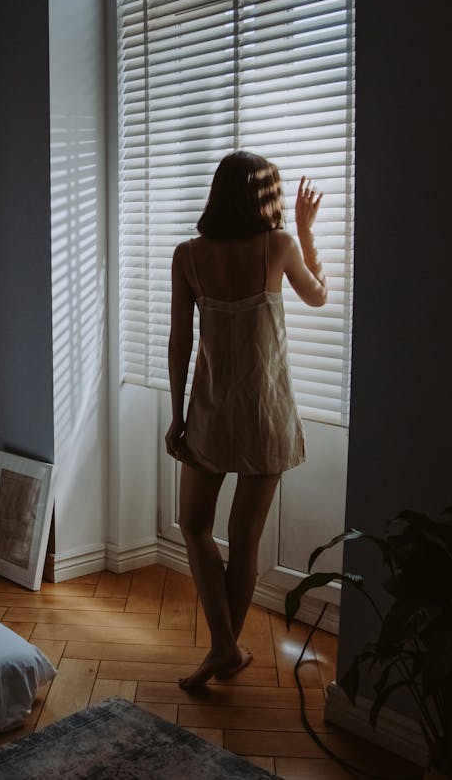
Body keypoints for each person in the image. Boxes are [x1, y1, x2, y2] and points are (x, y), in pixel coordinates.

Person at [165, 151, 328, 690]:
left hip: (209, 412)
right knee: (245, 537)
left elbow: (180, 343)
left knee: (194, 525)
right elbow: (319, 295)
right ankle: (225, 649)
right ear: (266, 197)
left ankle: (224, 648)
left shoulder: (188, 255)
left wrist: (175, 416)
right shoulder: (278, 246)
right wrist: (306, 231)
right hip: (266, 414)